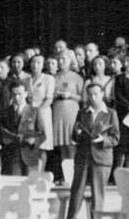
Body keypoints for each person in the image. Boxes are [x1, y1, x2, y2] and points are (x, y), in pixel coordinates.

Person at [66, 83, 120, 219]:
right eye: (90, 94)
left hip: (101, 158)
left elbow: (116, 138)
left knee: (98, 195)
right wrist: (77, 133)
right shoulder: (82, 112)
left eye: (96, 94)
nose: (93, 97)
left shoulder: (111, 113)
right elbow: (75, 136)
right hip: (83, 157)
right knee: (76, 193)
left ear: (102, 94)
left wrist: (103, 140)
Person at [0, 81, 46, 175]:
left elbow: (43, 135)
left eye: (19, 94)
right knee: (12, 186)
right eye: (14, 95)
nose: (16, 97)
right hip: (12, 156)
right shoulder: (5, 112)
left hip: (30, 155)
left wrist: (34, 141)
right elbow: (1, 133)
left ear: (26, 94)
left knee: (31, 187)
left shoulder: (34, 111)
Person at [52, 53, 84, 182]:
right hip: (58, 111)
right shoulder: (53, 77)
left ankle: (73, 177)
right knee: (61, 145)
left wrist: (70, 95)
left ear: (70, 60)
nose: (61, 61)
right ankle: (65, 177)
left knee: (71, 144)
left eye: (64, 59)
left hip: (72, 111)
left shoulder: (77, 77)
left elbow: (83, 97)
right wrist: (57, 95)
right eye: (58, 59)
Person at [23, 55, 55, 170]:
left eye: (38, 62)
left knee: (42, 146)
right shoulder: (26, 80)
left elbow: (49, 99)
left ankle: (40, 173)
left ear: (43, 65)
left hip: (43, 113)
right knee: (30, 145)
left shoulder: (48, 79)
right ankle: (31, 174)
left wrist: (38, 111)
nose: (35, 65)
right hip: (29, 115)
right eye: (33, 62)